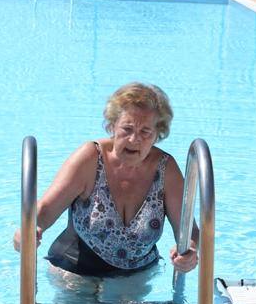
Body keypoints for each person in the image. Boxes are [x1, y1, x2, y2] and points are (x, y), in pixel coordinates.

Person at [12, 83, 198, 282]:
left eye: (145, 132)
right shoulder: (90, 158)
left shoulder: (165, 169)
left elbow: (189, 231)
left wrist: (191, 252)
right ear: (112, 126)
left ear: (157, 135)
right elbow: (46, 209)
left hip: (136, 275)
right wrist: (27, 232)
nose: (134, 139)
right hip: (74, 270)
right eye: (127, 129)